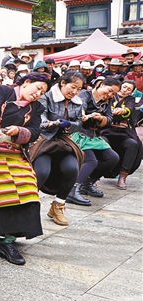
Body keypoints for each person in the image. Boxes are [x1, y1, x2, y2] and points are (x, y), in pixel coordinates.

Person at [0, 73, 51, 265]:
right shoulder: (3, 91)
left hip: (15, 153)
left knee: (27, 190)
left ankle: (8, 241)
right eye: (38, 88)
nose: (38, 94)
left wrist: (19, 131)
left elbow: (35, 132)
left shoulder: (36, 107)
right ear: (26, 82)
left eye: (42, 92)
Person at [31, 70, 87, 221]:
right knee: (41, 172)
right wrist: (53, 123)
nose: (75, 92)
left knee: (72, 168)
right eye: (72, 87)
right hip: (44, 140)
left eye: (78, 89)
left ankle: (58, 206)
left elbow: (79, 124)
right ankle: (27, 207)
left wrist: (69, 125)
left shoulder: (77, 102)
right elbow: (40, 119)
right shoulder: (46, 97)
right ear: (63, 83)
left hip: (64, 141)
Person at [71, 77, 121, 201]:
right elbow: (80, 105)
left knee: (112, 158)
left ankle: (88, 183)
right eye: (109, 90)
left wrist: (101, 118)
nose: (110, 95)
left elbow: (109, 118)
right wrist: (83, 115)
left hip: (93, 136)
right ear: (102, 85)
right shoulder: (86, 94)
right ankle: (72, 190)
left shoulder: (108, 101)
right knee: (90, 161)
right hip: (77, 134)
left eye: (113, 93)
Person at [102, 80, 143, 189]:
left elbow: (129, 108)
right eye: (124, 87)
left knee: (133, 144)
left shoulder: (130, 99)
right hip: (106, 130)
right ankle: (93, 175)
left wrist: (122, 111)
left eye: (129, 89)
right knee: (101, 142)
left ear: (131, 92)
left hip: (123, 132)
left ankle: (122, 176)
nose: (125, 90)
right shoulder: (110, 95)